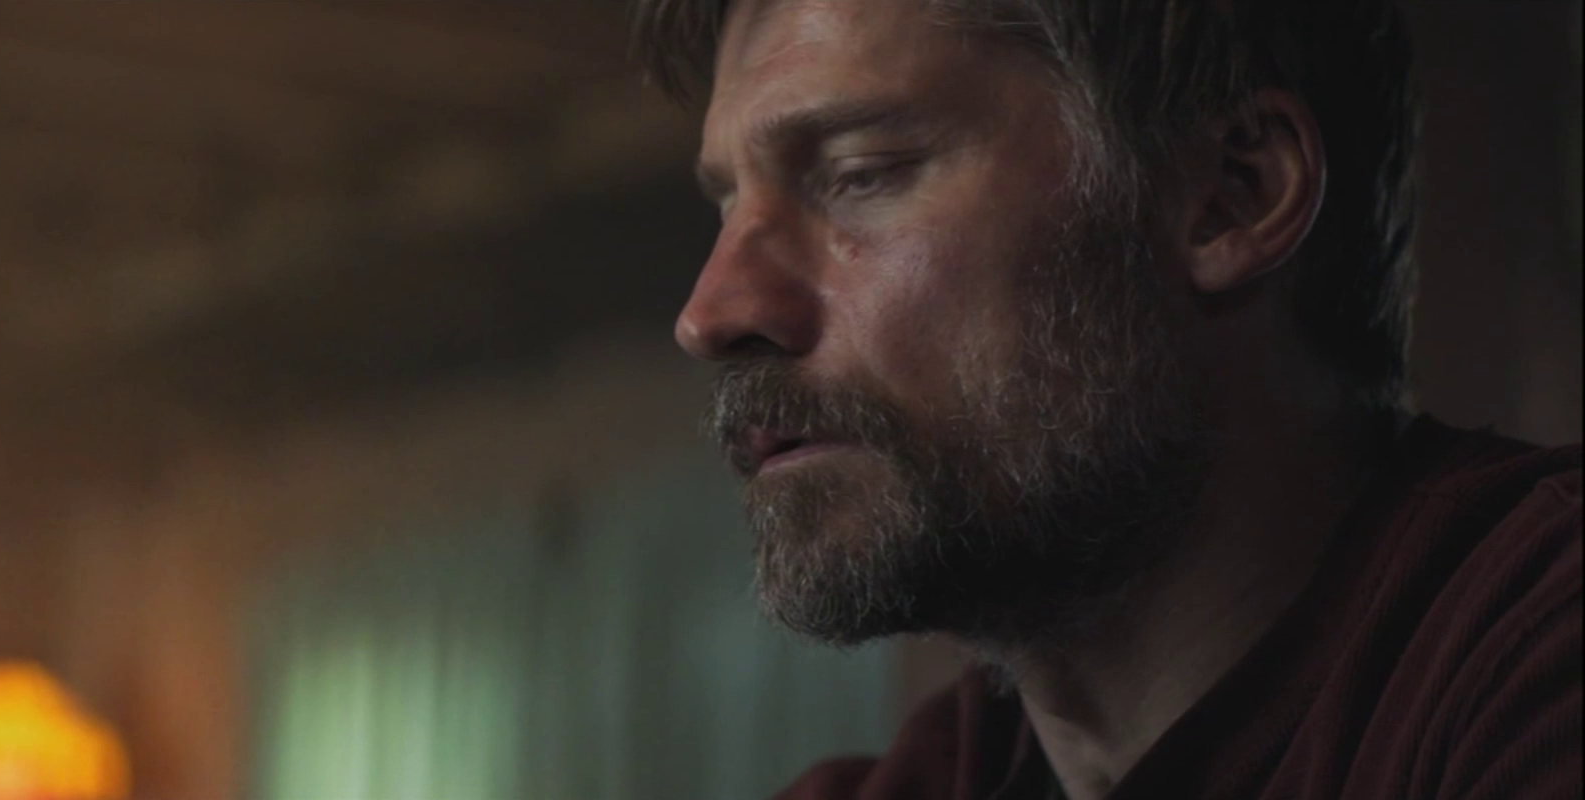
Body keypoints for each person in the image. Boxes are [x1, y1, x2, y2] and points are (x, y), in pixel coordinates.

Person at [633, 0, 1583, 797]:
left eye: (857, 175)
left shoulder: (1535, 658)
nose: (710, 315)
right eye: (728, 208)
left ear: (1233, 193)